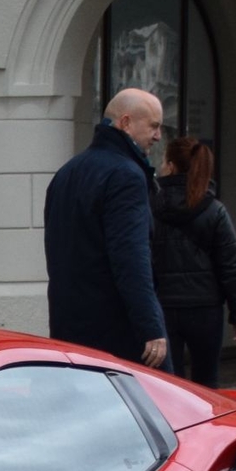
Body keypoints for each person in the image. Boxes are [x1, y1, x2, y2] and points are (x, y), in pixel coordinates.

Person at [44, 89, 168, 366]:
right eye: (154, 126)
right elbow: (131, 259)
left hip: (69, 325)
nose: (158, 136)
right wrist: (151, 327)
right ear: (126, 122)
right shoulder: (126, 175)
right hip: (116, 330)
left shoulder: (66, 172)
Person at [150, 136, 236, 387]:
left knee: (167, 383)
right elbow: (230, 265)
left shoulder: (148, 204)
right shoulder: (214, 210)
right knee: (207, 382)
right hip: (205, 308)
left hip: (162, 306)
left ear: (171, 165)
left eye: (164, 161)